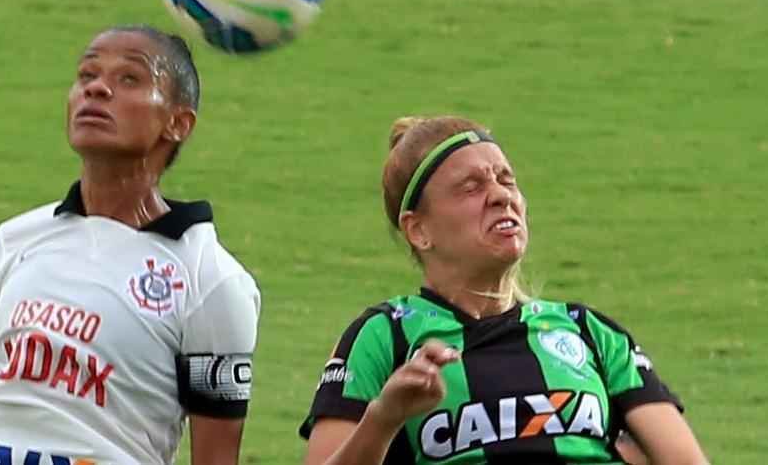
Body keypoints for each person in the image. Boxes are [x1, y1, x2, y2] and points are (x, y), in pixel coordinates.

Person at [0, 26, 261, 465]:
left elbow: (215, 458)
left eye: (129, 79)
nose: (97, 88)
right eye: (87, 74)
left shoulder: (211, 279)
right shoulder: (16, 240)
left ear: (178, 122)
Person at [299, 116, 708, 465]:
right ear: (419, 230)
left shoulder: (586, 331)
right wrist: (384, 418)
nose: (501, 195)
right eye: (471, 187)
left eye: (506, 180)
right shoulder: (387, 335)